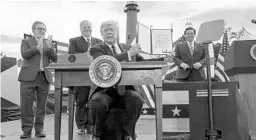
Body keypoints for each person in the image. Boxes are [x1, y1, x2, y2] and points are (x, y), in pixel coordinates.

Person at [89, 20, 144, 140]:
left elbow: (143, 62)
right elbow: (107, 62)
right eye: (106, 30)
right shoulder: (96, 49)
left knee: (137, 99)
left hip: (126, 91)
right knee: (97, 102)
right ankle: (96, 135)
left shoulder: (128, 47)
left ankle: (128, 133)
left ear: (117, 32)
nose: (109, 32)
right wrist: (127, 54)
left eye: (112, 29)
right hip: (104, 91)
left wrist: (163, 58)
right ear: (101, 34)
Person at [18, 21, 57, 139]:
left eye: (44, 29)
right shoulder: (26, 41)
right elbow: (24, 54)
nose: (42, 31)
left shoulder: (49, 43)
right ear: (33, 30)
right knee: (26, 105)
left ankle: (39, 130)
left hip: (43, 77)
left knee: (41, 106)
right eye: (39, 29)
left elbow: (54, 58)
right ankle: (26, 131)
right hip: (27, 77)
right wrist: (37, 47)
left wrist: (49, 48)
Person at [68, 20, 103, 135]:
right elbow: (71, 57)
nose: (87, 28)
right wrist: (85, 55)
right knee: (81, 102)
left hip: (96, 77)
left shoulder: (99, 41)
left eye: (89, 26)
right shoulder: (74, 41)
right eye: (85, 27)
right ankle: (81, 126)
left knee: (93, 102)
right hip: (80, 77)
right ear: (80, 29)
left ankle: (91, 125)